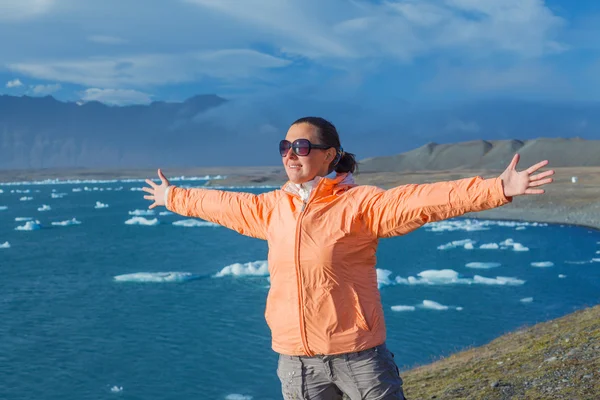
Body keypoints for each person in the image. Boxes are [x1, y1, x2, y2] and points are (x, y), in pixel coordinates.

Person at [142, 116, 554, 400]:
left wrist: (496, 189)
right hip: (296, 361)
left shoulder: (359, 205)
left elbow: (422, 201)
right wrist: (173, 196)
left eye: (301, 146)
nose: (291, 153)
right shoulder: (272, 208)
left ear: (329, 154)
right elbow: (223, 204)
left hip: (358, 357)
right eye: (285, 146)